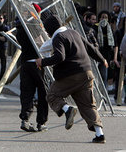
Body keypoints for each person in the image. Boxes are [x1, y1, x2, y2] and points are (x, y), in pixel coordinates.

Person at [36, 15, 108, 144]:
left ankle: (67, 109)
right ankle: (100, 134)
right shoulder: (74, 32)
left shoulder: (58, 37)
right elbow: (90, 47)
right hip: (86, 73)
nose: (47, 33)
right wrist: (102, 59)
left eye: (47, 30)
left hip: (70, 75)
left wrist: (43, 61)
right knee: (88, 105)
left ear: (50, 29)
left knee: (52, 95)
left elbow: (60, 57)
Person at [15, 18, 48, 132]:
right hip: (37, 63)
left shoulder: (19, 31)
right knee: (42, 92)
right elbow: (41, 43)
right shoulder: (34, 27)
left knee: (26, 93)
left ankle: (25, 119)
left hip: (25, 63)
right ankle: (41, 122)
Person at [96, 10, 114, 88]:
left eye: (106, 17)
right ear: (99, 18)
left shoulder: (110, 29)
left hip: (106, 56)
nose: (104, 19)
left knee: (104, 75)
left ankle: (104, 91)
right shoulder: (95, 27)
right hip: (97, 54)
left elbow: (114, 43)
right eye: (102, 17)